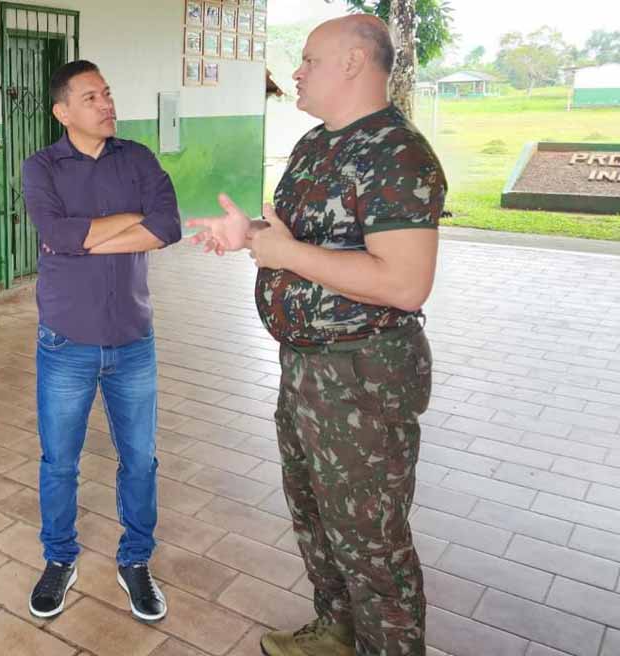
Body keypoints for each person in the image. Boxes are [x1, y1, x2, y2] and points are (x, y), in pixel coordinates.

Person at [188, 15, 446, 656]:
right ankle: (336, 631)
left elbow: (406, 283)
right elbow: (297, 239)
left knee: (371, 538)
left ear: (355, 63)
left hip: (362, 372)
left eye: (308, 59)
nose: (295, 71)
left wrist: (285, 255)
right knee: (315, 513)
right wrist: (245, 233)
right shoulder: (313, 146)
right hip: (305, 365)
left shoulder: (396, 153)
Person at [21, 60, 182, 622]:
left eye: (108, 93)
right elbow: (55, 234)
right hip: (66, 342)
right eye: (92, 97)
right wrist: (125, 223)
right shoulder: (41, 167)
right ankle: (58, 558)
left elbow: (168, 226)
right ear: (63, 112)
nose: (107, 104)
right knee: (59, 463)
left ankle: (136, 561)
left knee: (140, 461)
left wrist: (87, 238)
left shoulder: (136, 158)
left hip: (134, 340)